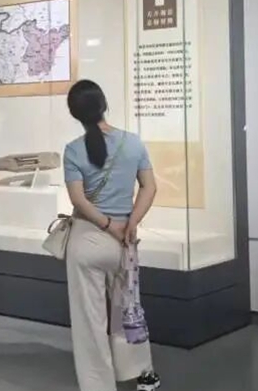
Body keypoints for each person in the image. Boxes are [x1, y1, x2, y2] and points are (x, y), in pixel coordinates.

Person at [63, 80, 160, 391]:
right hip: (124, 242)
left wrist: (107, 224)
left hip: (87, 240)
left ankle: (98, 385)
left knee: (89, 322)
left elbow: (78, 200)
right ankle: (142, 374)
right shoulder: (133, 142)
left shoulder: (73, 150)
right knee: (128, 309)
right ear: (104, 104)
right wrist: (130, 223)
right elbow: (149, 187)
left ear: (74, 113)